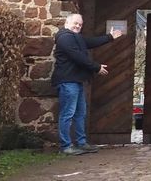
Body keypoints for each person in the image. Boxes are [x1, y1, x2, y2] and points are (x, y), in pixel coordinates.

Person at [51, 13, 123, 155]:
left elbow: (90, 42)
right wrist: (96, 67)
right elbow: (78, 57)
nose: (78, 26)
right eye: (75, 23)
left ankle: (81, 143)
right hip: (67, 81)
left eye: (80, 24)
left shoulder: (75, 38)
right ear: (67, 23)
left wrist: (109, 37)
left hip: (76, 81)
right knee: (68, 114)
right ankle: (66, 146)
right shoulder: (65, 37)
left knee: (80, 113)